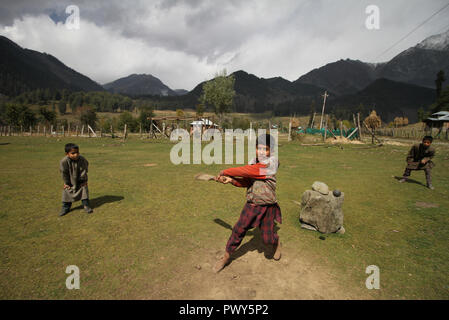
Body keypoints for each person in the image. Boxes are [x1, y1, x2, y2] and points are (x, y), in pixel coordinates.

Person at [213, 134, 281, 273]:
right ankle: (225, 257)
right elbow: (246, 181)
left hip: (267, 207)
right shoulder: (253, 163)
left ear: (271, 151)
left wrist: (225, 171)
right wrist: (231, 180)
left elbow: (247, 171)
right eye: (259, 148)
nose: (261, 152)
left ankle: (277, 243)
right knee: (238, 229)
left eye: (265, 149)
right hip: (252, 205)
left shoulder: (270, 164)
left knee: (268, 239)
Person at [59, 143, 93, 216]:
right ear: (67, 154)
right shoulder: (64, 161)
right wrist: (67, 182)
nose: (76, 155)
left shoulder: (82, 159)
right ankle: (66, 207)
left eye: (77, 152)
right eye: (73, 153)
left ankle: (86, 205)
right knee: (67, 191)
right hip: (70, 180)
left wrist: (83, 180)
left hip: (80, 179)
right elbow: (64, 172)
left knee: (84, 190)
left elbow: (84, 169)